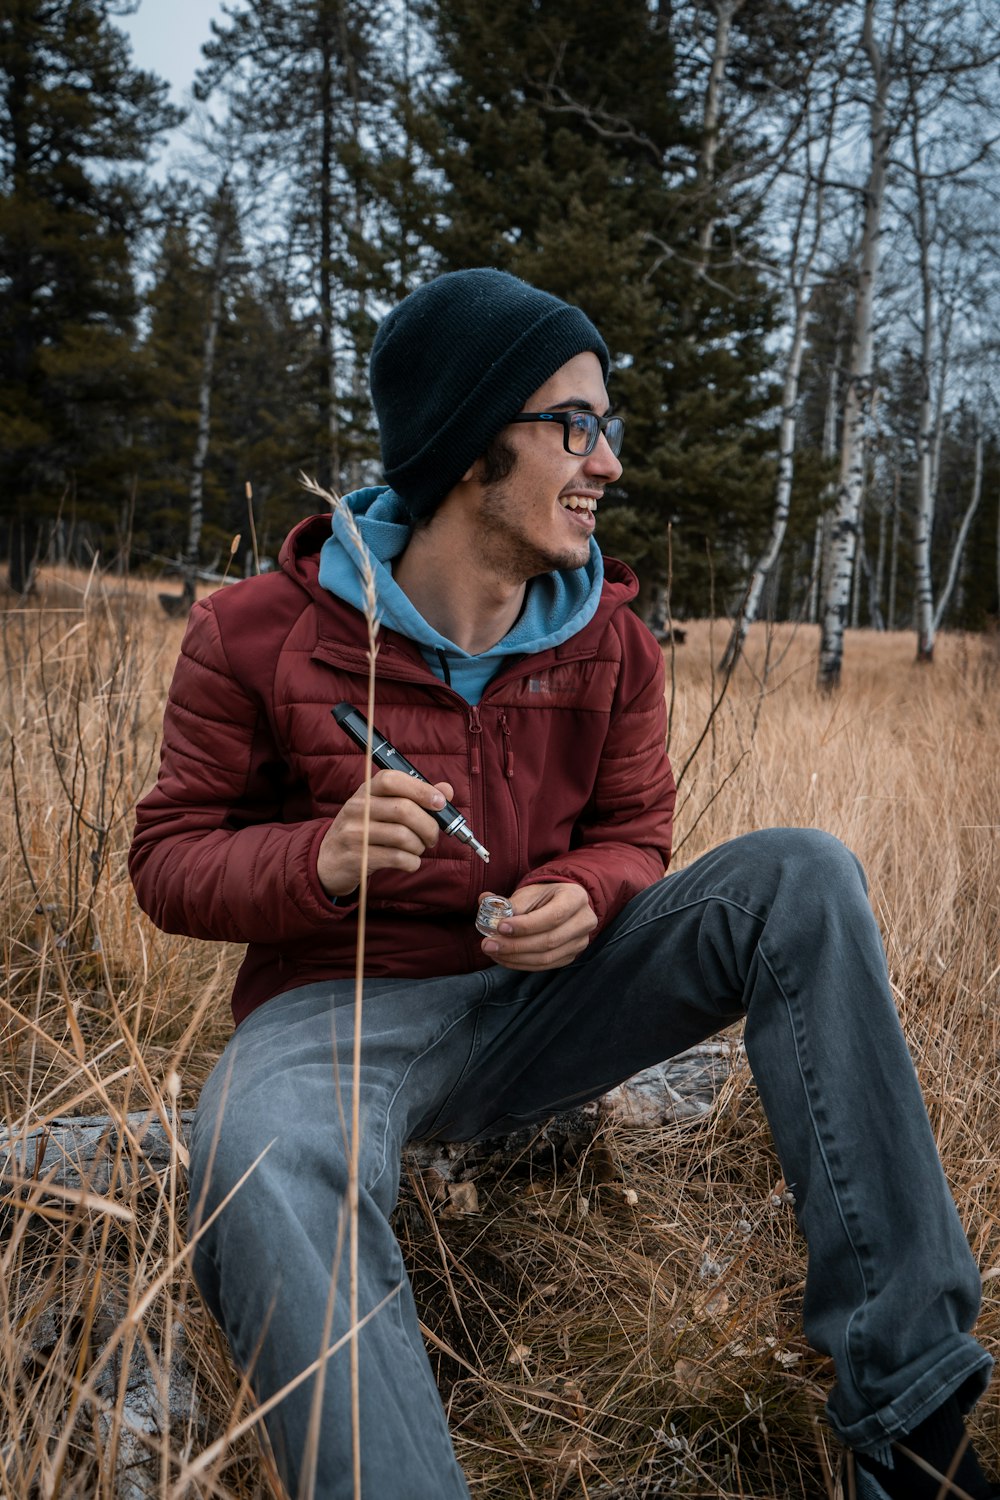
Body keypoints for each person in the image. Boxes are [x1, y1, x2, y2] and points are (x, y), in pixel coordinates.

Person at [129, 268, 994, 1500]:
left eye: (610, 428)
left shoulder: (612, 643)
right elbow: (166, 860)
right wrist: (313, 859)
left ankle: (910, 1419)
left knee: (799, 872)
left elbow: (640, 830)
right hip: (337, 1026)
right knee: (263, 1150)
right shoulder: (259, 632)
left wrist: (590, 891)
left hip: (546, 1002)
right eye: (574, 426)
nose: (607, 463)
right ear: (474, 439)